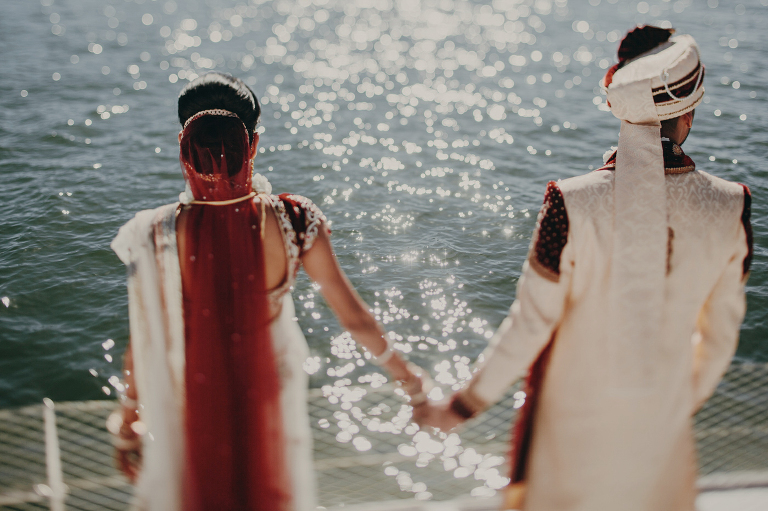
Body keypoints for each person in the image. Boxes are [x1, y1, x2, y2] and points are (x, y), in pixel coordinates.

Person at [418, 26, 753, 511]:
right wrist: (670, 405)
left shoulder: (569, 203)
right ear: (689, 114)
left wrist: (461, 406)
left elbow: (530, 326)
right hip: (660, 432)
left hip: (571, 433)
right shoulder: (732, 206)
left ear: (621, 109)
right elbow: (719, 341)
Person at [108, 72, 426, 511]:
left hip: (193, 405)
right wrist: (410, 381)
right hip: (270, 404)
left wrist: (128, 422)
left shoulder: (154, 233)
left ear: (184, 143)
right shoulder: (296, 220)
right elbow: (354, 318)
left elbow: (141, 344)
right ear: (253, 144)